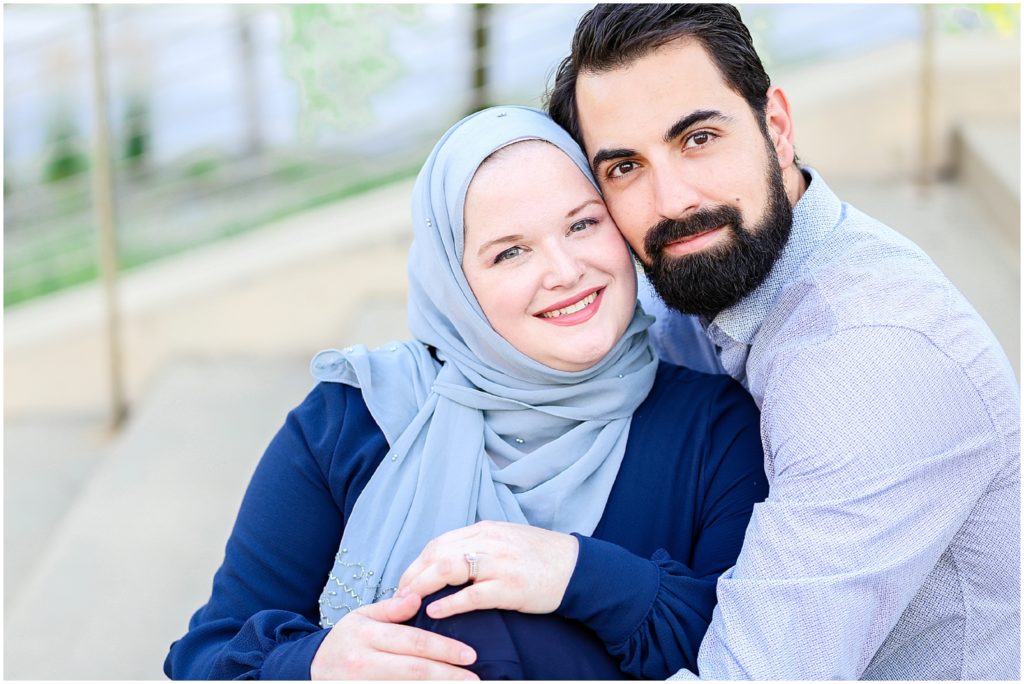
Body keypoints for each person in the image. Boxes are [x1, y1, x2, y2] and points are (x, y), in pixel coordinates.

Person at [163, 106, 768, 680]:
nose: (564, 270)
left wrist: (575, 572)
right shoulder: (356, 418)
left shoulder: (714, 428)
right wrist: (318, 664)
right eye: (510, 252)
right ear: (454, 284)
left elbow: (745, 652)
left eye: (583, 224)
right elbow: (209, 657)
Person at [544, 3, 1021, 680]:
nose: (673, 199)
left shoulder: (874, 355)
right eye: (625, 168)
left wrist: (564, 577)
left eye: (698, 139)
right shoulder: (689, 285)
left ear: (777, 127)